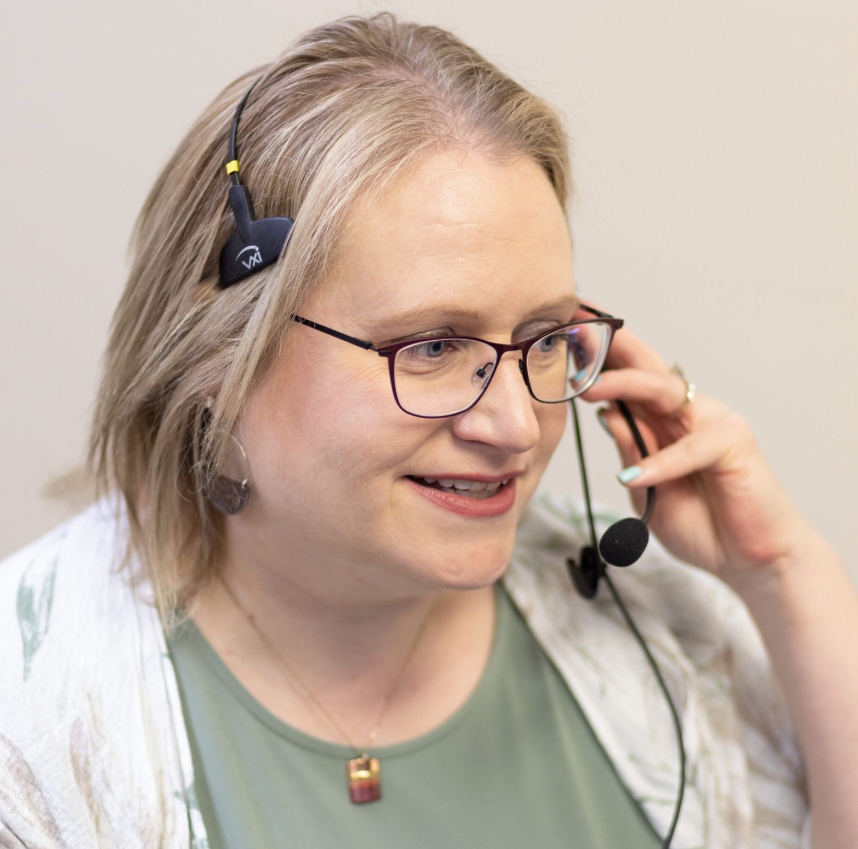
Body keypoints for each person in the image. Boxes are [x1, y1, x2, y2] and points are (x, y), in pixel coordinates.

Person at [1, 13, 855, 849]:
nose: (517, 425)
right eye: (434, 346)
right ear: (220, 362)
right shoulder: (29, 718)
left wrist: (783, 573)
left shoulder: (662, 620)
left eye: (546, 339)